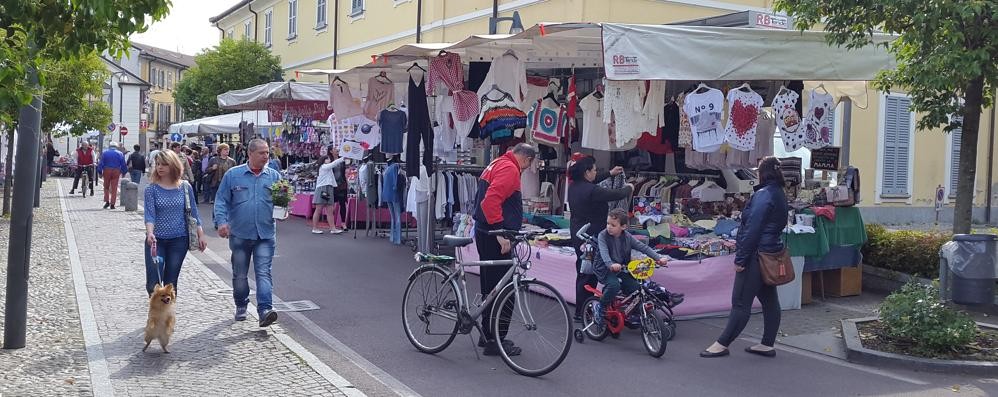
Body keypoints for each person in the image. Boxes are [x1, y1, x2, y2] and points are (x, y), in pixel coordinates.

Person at [701, 156, 788, 358]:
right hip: (770, 253)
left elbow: (752, 229)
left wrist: (741, 259)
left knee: (740, 302)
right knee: (769, 300)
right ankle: (767, 343)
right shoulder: (779, 193)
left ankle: (722, 343)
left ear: (762, 173)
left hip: (756, 256)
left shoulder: (764, 195)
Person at [472, 143, 536, 357]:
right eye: (527, 165)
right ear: (526, 159)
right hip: (494, 236)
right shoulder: (509, 170)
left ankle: (487, 334)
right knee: (503, 289)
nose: (526, 169)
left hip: (484, 231)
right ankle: (496, 339)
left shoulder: (497, 163)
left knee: (490, 286)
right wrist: (500, 231)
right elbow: (490, 202)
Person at [214, 138, 282, 328]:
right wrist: (221, 222)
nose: (266, 156)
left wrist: (283, 209)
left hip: (265, 234)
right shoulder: (233, 175)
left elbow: (282, 200)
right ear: (250, 154)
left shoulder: (274, 176)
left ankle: (265, 311)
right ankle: (241, 305)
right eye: (262, 153)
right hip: (240, 234)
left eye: (267, 152)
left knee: (263, 273)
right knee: (240, 274)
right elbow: (221, 201)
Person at [566, 154, 630, 322]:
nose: (596, 173)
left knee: (583, 271)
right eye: (594, 170)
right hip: (591, 237)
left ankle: (582, 310)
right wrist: (629, 188)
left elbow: (595, 181)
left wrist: (610, 173)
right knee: (590, 273)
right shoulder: (592, 191)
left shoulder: (574, 186)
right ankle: (585, 311)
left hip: (578, 233)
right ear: (587, 172)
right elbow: (615, 194)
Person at [144, 150, 207, 296]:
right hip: (156, 240)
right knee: (153, 283)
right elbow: (150, 215)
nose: (160, 167)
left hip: (179, 240)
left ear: (173, 165)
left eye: (164, 164)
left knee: (171, 283)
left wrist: (201, 235)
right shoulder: (151, 189)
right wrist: (150, 233)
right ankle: (156, 315)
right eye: (158, 164)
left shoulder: (185, 187)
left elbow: (194, 214)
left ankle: (168, 316)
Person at [593, 208, 669, 327]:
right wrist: (611, 265)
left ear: (623, 227)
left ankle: (633, 314)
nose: (609, 227)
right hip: (604, 269)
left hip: (622, 268)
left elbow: (643, 247)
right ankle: (601, 306)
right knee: (614, 285)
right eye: (608, 223)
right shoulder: (603, 235)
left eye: (613, 225)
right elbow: (604, 253)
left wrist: (658, 258)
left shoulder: (627, 237)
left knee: (636, 287)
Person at [310, 145, 341, 234]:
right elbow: (334, 164)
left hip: (328, 188)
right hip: (322, 188)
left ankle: (333, 228)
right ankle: (315, 228)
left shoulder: (327, 168)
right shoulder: (323, 167)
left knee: (330, 209)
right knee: (319, 209)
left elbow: (333, 164)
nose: (329, 160)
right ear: (323, 161)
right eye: (327, 159)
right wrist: (342, 158)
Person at [97, 142, 127, 208]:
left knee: (106, 186)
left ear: (109, 146)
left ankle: (107, 201)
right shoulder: (120, 153)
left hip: (107, 170)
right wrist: (124, 172)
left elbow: (101, 163)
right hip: (116, 170)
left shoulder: (105, 153)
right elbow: (123, 164)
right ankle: (112, 203)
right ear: (116, 147)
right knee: (114, 187)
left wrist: (100, 172)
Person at [329, 152, 349, 233]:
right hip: (332, 185)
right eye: (335, 149)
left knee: (342, 204)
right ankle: (332, 224)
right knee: (331, 205)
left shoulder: (342, 161)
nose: (337, 151)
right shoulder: (329, 161)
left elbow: (345, 171)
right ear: (331, 151)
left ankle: (343, 223)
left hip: (341, 184)